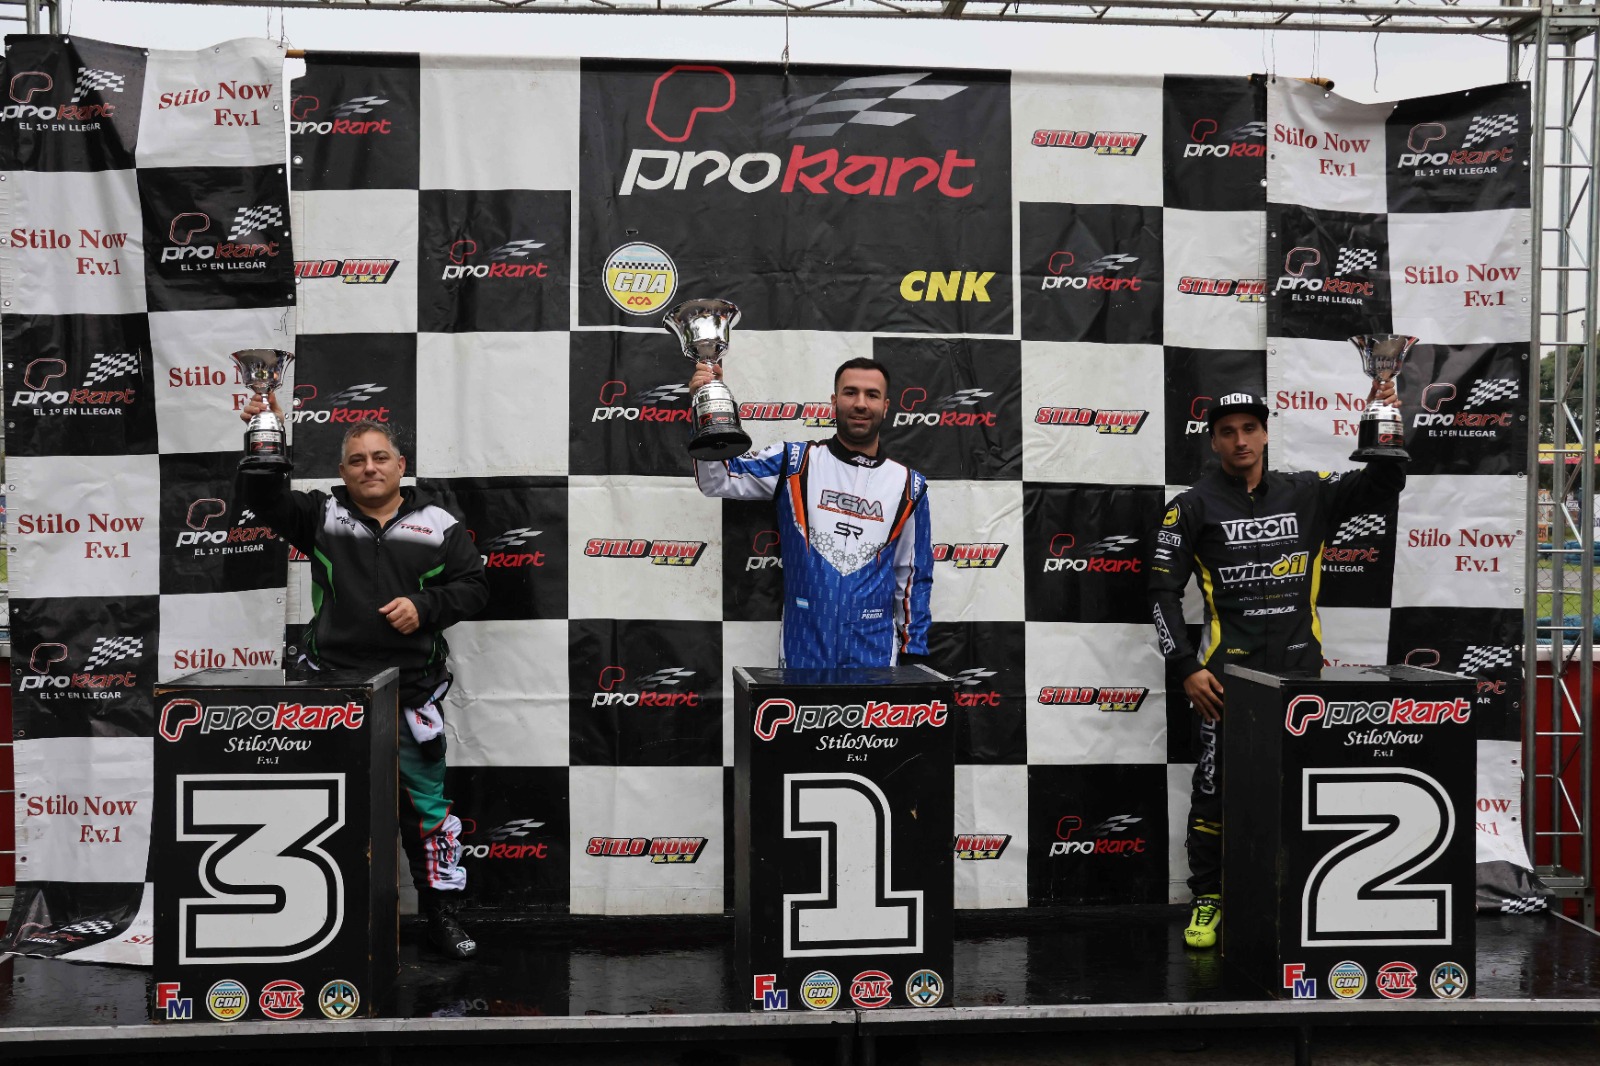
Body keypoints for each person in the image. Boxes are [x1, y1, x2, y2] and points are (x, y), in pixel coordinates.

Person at [1148, 384, 1405, 950]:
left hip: (1300, 679)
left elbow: (1382, 485)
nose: (1240, 440)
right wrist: (1186, 666)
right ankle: (1208, 897)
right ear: (1213, 441)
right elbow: (1161, 592)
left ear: (1266, 433)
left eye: (1250, 429)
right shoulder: (1189, 506)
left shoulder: (1306, 491)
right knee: (1214, 792)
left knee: (1304, 789)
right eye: (1227, 431)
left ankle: (1303, 894)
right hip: (1224, 681)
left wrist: (1382, 417)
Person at [236, 395, 489, 960]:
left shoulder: (438, 524)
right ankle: (321, 920)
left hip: (411, 692)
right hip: (332, 692)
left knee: (427, 812)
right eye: (356, 460)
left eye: (379, 458)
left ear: (401, 466)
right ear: (342, 471)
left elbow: (475, 588)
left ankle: (442, 916)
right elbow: (261, 498)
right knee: (326, 806)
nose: (369, 468)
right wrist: (264, 437)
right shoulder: (319, 515)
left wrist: (426, 606)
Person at [689, 356, 933, 669]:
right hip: (802, 652)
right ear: (834, 401)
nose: (860, 403)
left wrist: (915, 649)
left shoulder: (909, 485)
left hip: (875, 656)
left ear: (885, 407)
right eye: (850, 392)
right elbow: (718, 478)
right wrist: (707, 407)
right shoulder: (794, 462)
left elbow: (913, 576)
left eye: (872, 395)